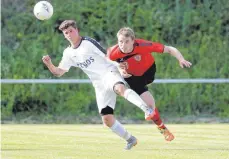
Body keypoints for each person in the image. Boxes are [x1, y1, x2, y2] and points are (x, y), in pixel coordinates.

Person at [42, 20, 155, 150]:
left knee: (119, 88)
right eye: (66, 33)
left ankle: (147, 109)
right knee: (107, 119)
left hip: (109, 72)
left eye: (71, 31)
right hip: (98, 84)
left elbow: (108, 55)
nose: (69, 34)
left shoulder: (88, 43)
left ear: (77, 30)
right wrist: (49, 64)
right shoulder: (68, 53)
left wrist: (120, 66)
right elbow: (58, 72)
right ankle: (130, 139)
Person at [107, 27, 192, 142]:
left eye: (127, 41)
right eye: (120, 41)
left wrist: (181, 59)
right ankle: (163, 129)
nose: (123, 45)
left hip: (148, 72)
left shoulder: (143, 45)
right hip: (133, 78)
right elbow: (106, 60)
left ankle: (149, 111)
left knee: (149, 105)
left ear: (133, 40)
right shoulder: (113, 52)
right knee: (150, 107)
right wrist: (119, 68)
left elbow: (169, 49)